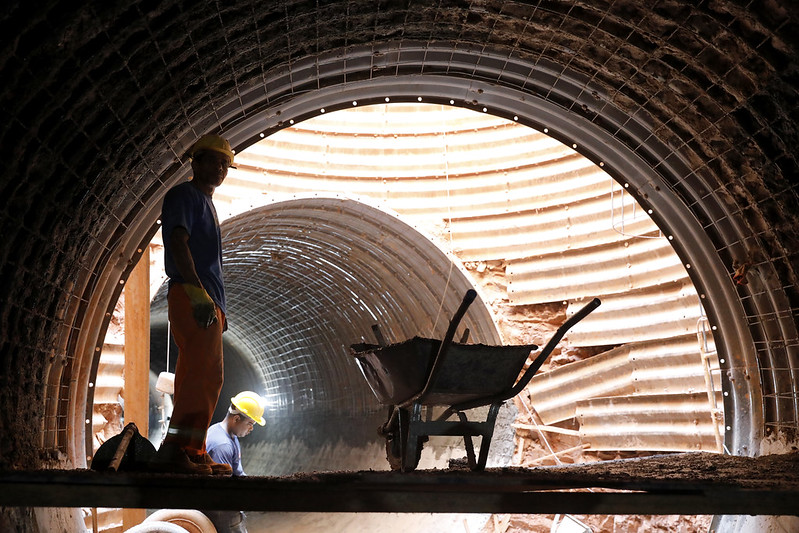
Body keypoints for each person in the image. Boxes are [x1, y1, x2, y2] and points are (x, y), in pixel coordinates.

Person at [151, 134, 235, 476]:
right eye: (213, 160)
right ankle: (176, 452)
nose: (219, 168)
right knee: (202, 377)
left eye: (224, 163)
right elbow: (177, 240)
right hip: (192, 295)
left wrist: (217, 307)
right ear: (194, 162)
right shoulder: (184, 195)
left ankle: (192, 450)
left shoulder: (207, 203)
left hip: (206, 300)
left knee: (202, 378)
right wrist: (198, 294)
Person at [204, 391, 266, 532]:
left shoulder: (226, 433)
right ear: (236, 419)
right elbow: (221, 490)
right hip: (221, 511)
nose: (251, 428)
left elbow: (237, 472)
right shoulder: (222, 445)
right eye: (250, 423)